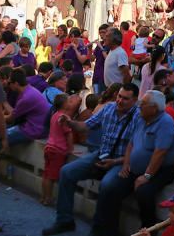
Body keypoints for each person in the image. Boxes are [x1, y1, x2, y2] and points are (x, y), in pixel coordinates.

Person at [43, 83, 141, 236]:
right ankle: (64, 221)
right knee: (67, 172)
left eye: (125, 99)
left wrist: (115, 162)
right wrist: (69, 122)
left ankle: (100, 230)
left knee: (108, 186)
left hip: (121, 161)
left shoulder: (138, 117)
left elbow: (138, 151)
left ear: (135, 100)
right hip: (101, 155)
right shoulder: (108, 109)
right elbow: (85, 126)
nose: (120, 101)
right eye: (119, 96)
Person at [101, 90, 174, 233]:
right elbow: (131, 143)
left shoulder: (165, 122)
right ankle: (108, 231)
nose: (139, 107)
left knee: (144, 193)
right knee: (110, 189)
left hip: (160, 170)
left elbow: (160, 153)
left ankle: (147, 232)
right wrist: (126, 164)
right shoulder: (141, 118)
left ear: (154, 108)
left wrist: (147, 176)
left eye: (142, 104)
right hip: (134, 168)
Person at [42, 94, 77, 206]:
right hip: (57, 150)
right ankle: (48, 198)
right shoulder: (64, 118)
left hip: (49, 147)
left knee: (46, 174)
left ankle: (44, 197)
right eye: (69, 101)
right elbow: (69, 134)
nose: (71, 103)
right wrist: (70, 148)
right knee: (51, 176)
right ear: (65, 104)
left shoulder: (54, 115)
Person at [5, 68, 50, 145]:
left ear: (16, 83)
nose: (7, 85)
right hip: (37, 127)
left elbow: (10, 118)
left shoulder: (26, 97)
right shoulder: (29, 90)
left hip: (34, 131)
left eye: (9, 83)